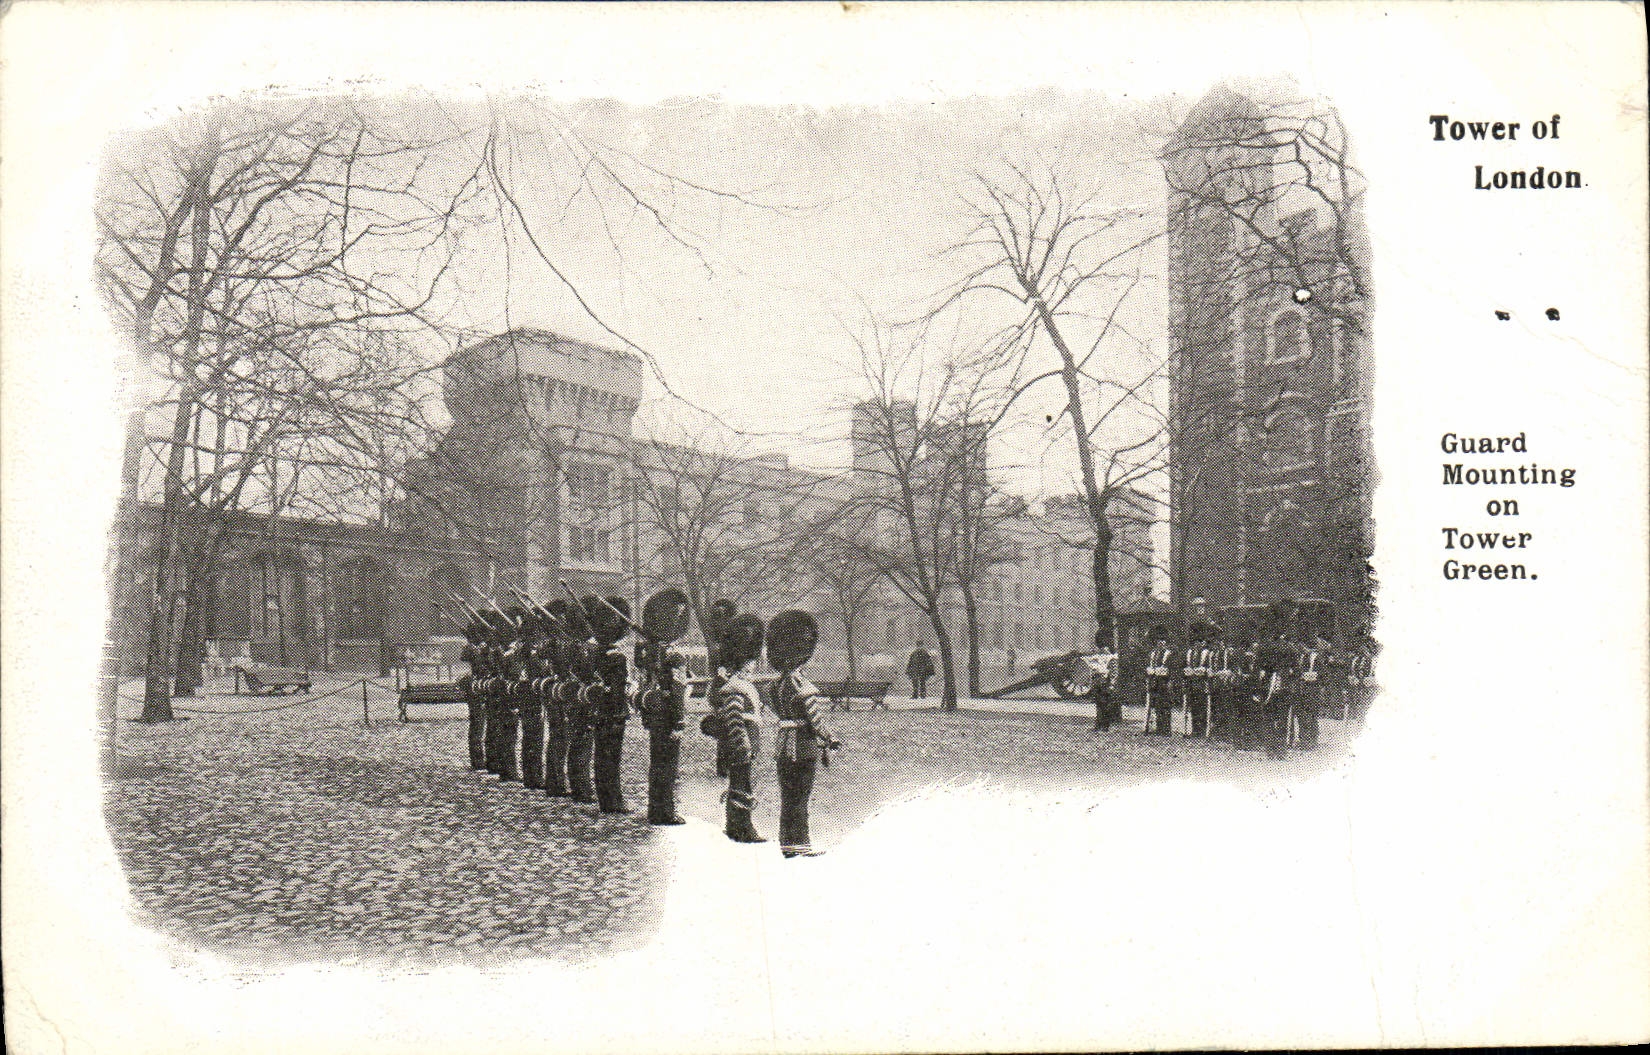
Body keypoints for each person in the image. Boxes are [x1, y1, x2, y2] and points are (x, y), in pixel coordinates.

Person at [768, 611, 841, 858]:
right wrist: (830, 738)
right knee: (800, 799)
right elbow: (815, 718)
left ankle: (787, 847)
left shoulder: (775, 685)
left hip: (782, 746)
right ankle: (801, 845)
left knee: (787, 799)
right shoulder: (801, 684)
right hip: (803, 746)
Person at [716, 613, 768, 843]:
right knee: (741, 784)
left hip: (742, 745)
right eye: (750, 663)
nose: (753, 666)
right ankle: (742, 827)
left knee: (741, 782)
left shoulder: (741, 685)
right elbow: (736, 719)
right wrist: (744, 744)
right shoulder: (736, 687)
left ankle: (736, 824)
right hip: (739, 745)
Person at [590, 596, 633, 814]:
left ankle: (604, 799)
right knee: (611, 758)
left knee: (601, 755)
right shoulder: (617, 657)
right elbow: (618, 689)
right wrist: (619, 713)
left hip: (599, 709)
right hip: (612, 711)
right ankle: (613, 802)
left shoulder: (595, 652)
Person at [458, 621, 489, 770]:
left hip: (477, 688)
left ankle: (479, 759)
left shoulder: (475, 648)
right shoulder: (473, 650)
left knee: (478, 725)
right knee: (478, 725)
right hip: (477, 689)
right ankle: (477, 760)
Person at [1183, 623, 1215, 738]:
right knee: (1193, 707)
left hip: (1202, 683)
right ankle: (1195, 730)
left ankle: (1203, 730)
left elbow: (1211, 668)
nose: (1197, 645)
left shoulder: (1207, 654)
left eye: (1199, 642)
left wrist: (1204, 671)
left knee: (1202, 707)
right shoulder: (1190, 653)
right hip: (1192, 683)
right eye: (1195, 643)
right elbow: (1184, 667)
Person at [1144, 627, 1176, 735]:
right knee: (1157, 705)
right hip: (1154, 682)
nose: (1161, 643)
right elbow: (1148, 666)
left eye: (1163, 641)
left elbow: (1172, 669)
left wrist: (1169, 680)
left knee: (1165, 705)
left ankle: (1166, 729)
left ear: (1166, 642)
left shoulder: (1169, 654)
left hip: (1165, 682)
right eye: (1158, 641)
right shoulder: (1152, 654)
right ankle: (1159, 727)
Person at [1088, 630, 1120, 731]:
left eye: (1104, 647)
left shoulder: (1112, 657)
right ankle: (1098, 724)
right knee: (1098, 704)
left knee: (1105, 704)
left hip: (1106, 682)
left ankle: (1105, 725)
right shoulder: (1096, 656)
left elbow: (1114, 672)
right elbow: (1092, 670)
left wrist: (1112, 684)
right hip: (1097, 682)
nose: (1103, 649)